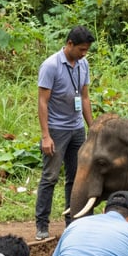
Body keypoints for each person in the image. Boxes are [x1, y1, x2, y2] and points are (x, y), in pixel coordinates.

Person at [35, 25, 95, 240]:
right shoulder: (50, 66)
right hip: (56, 129)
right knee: (50, 177)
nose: (84, 54)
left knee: (76, 177)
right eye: (81, 49)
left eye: (86, 50)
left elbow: (85, 97)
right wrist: (45, 135)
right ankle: (42, 225)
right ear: (69, 44)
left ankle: (73, 222)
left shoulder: (83, 64)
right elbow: (43, 102)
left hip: (76, 128)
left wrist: (92, 127)